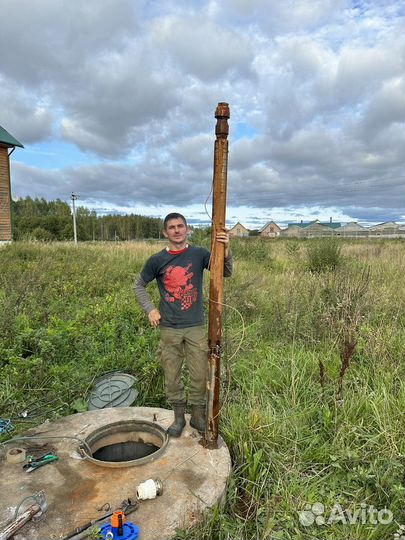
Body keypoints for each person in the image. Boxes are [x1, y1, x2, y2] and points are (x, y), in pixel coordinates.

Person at [134, 212, 232, 437]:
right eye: (171, 227)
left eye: (180, 226)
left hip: (195, 326)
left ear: (187, 229)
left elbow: (224, 273)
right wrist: (150, 309)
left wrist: (226, 250)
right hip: (169, 328)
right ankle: (178, 418)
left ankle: (197, 416)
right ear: (165, 232)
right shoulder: (157, 260)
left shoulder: (198, 254)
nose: (177, 230)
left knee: (199, 374)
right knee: (172, 374)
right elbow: (138, 286)